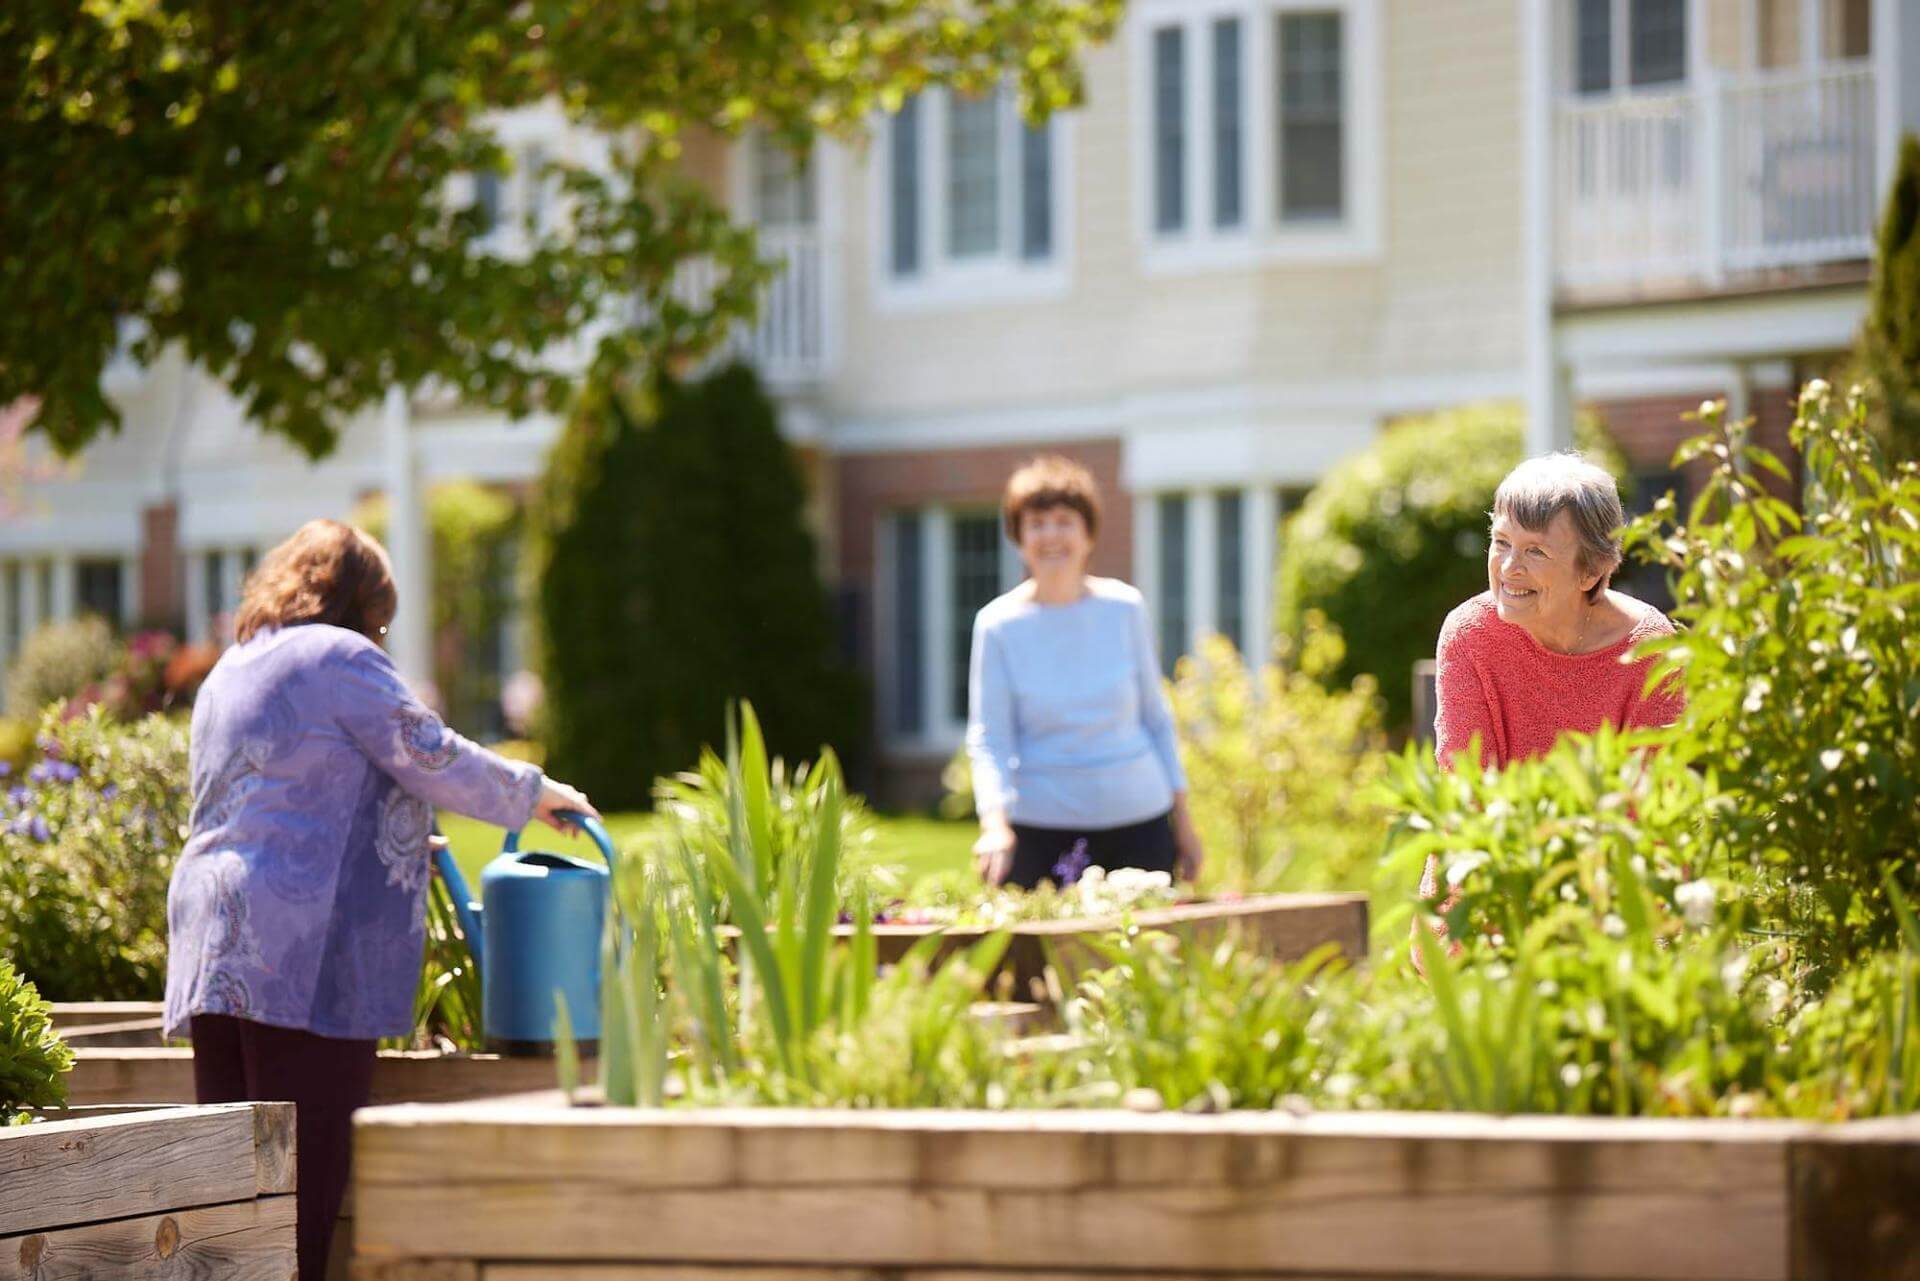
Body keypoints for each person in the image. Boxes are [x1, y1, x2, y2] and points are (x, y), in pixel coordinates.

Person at [162, 519, 598, 1280]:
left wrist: (387, 841)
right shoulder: (342, 656)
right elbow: (428, 753)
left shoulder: (234, 666)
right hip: (299, 954)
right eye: (382, 619)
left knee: (231, 1194)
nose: (382, 634)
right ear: (361, 607)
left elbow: (283, 795)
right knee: (300, 1189)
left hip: (214, 944)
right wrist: (535, 793)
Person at [1417, 453, 1684, 959]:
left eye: (1536, 551)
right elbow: (1468, 792)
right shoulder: (1470, 635)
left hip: (1616, 920)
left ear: (1592, 571)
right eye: (1501, 542)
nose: (1509, 567)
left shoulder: (1650, 649)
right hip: (1483, 902)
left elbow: (1652, 815)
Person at [966, 456, 1203, 889]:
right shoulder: (998, 625)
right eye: (1037, 523)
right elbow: (990, 738)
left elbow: (1155, 718)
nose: (1051, 535)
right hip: (1039, 830)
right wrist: (994, 826)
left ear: (1088, 534)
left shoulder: (1124, 608)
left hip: (1139, 824)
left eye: (1064, 521)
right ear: (1019, 537)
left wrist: (1183, 822)